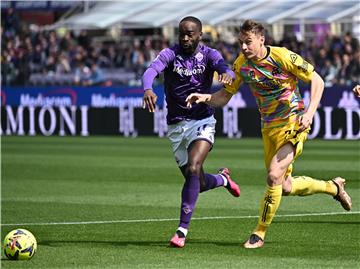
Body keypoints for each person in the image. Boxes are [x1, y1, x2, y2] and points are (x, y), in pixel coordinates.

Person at [186, 19, 352, 249]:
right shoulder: (242, 64)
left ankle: (259, 233)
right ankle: (333, 187)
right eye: (241, 43)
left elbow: (317, 80)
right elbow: (225, 95)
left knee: (274, 175)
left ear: (261, 39)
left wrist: (310, 113)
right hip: (269, 128)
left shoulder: (282, 56)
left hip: (294, 122)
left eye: (248, 42)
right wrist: (206, 97)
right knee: (284, 185)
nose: (244, 47)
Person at [142, 16, 240, 248]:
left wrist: (227, 74)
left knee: (194, 167)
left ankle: (181, 231)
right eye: (182, 34)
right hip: (176, 126)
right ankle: (223, 179)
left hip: (202, 120)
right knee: (198, 180)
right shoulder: (170, 54)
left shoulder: (209, 54)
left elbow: (227, 70)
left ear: (199, 35)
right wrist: (147, 88)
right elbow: (150, 71)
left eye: (190, 34)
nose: (185, 38)